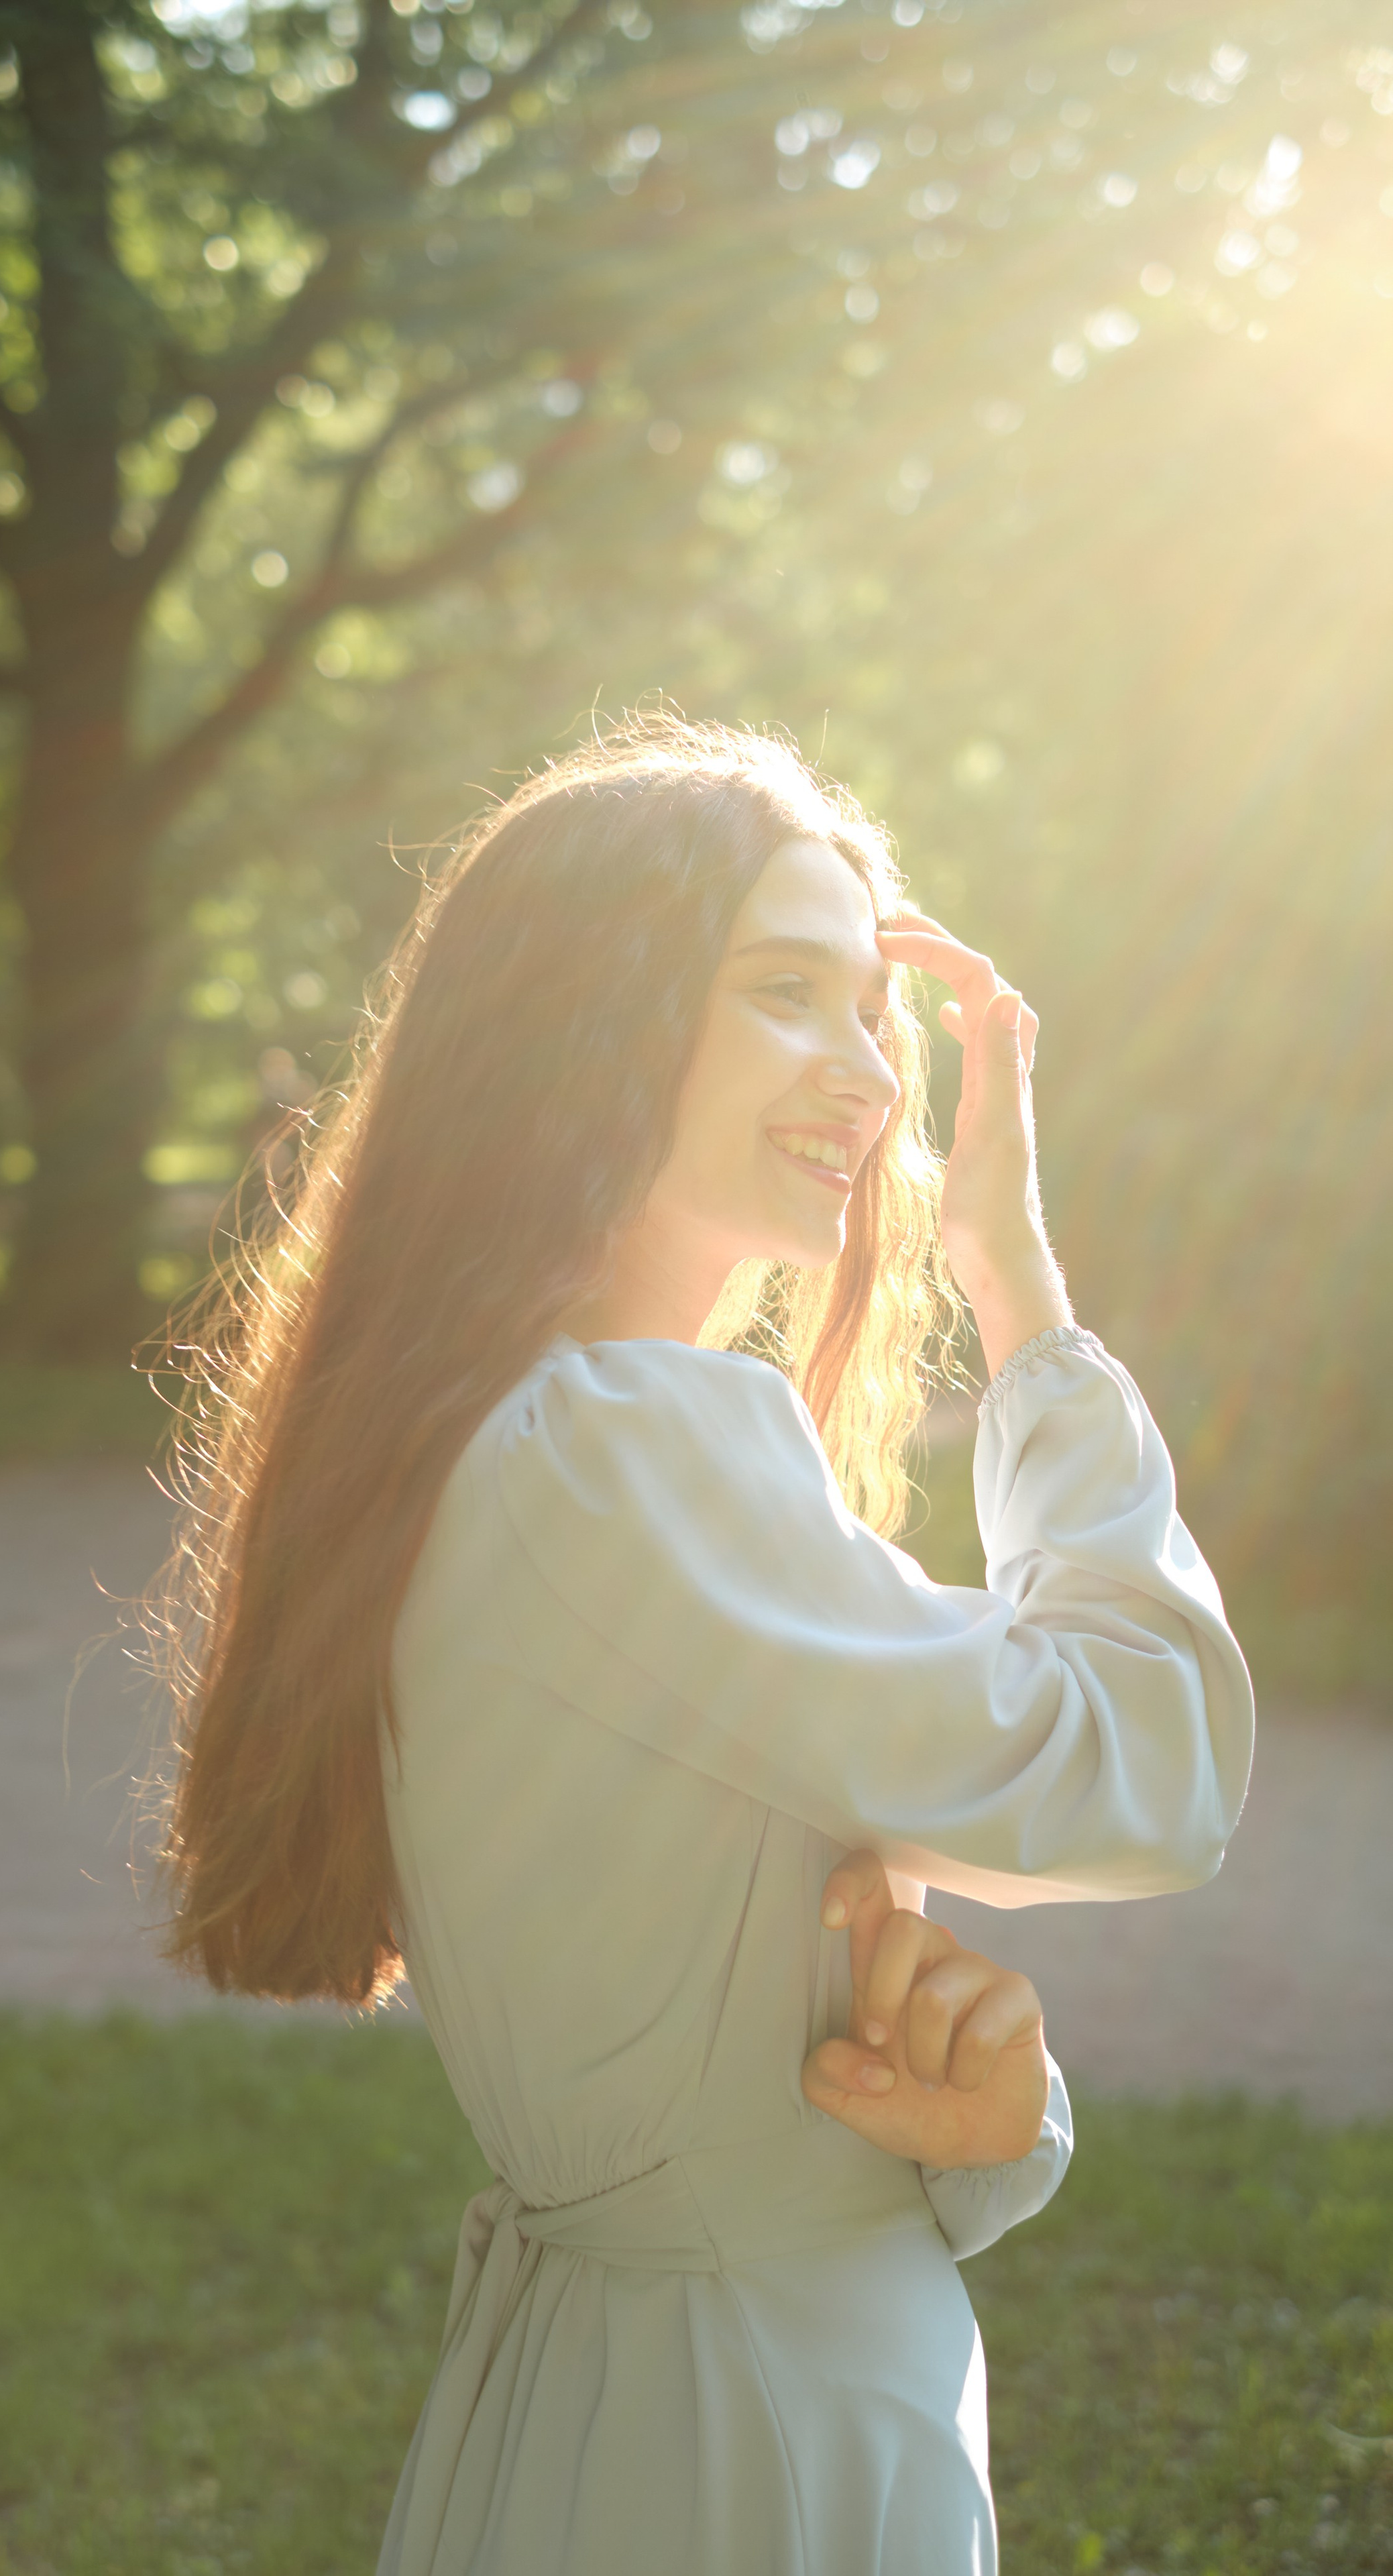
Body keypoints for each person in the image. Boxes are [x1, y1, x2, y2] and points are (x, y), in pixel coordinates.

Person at [156, 715, 1254, 2575]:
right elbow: (1149, 1767)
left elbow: (713, 2075)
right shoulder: (623, 1443)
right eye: (786, 992)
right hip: (753, 2410)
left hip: (634, 2383)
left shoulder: (491, 1437)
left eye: (876, 1015)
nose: (871, 1077)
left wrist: (985, 2121)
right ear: (590, 1018)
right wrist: (1021, 1289)